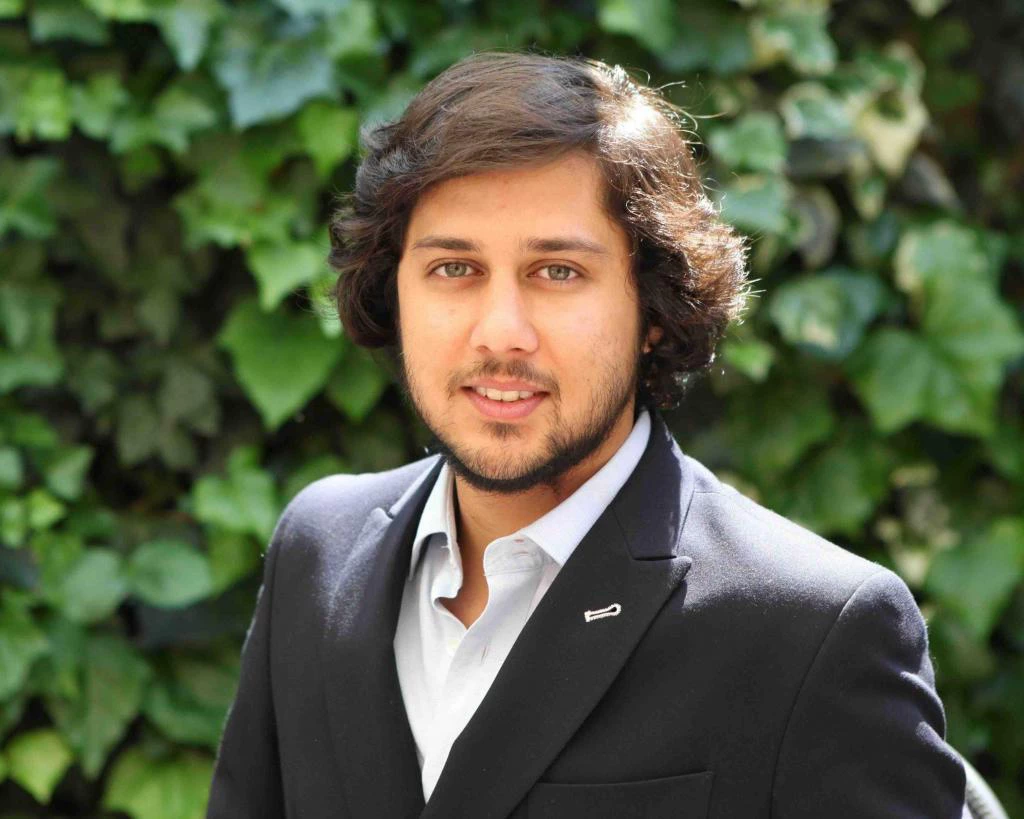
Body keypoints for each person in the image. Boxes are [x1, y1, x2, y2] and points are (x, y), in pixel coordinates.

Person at [206, 52, 966, 818]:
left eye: (558, 271)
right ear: (392, 288)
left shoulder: (811, 628)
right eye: (454, 268)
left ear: (654, 309)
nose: (500, 332)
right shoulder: (319, 551)